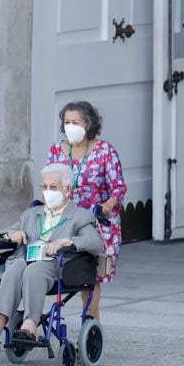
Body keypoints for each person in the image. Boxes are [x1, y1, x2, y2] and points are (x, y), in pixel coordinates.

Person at [0, 164, 103, 340]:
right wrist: (13, 233)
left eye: (53, 187)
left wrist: (67, 241)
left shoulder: (80, 216)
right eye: (44, 187)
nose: (47, 192)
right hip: (25, 258)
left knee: (34, 270)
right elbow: (4, 231)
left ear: (67, 190)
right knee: (14, 269)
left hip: (55, 264)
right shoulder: (31, 214)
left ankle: (30, 324)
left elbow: (96, 242)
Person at [46, 101, 126, 320]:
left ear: (88, 124)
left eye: (76, 122)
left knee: (89, 276)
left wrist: (107, 206)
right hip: (65, 219)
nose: (70, 126)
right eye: (67, 122)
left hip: (95, 221)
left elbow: (118, 187)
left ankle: (90, 321)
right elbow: (49, 181)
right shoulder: (56, 149)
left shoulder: (104, 150)